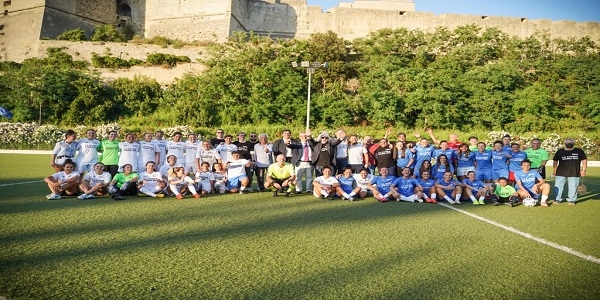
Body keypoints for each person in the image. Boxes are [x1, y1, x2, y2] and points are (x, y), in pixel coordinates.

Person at [552, 138, 587, 205]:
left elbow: (584, 160)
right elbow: (555, 161)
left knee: (573, 187)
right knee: (558, 186)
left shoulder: (579, 151)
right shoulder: (560, 151)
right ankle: (557, 199)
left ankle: (571, 200)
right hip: (561, 172)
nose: (569, 143)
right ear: (564, 144)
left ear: (574, 143)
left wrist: (584, 170)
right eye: (567, 142)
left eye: (570, 142)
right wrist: (554, 171)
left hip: (574, 172)